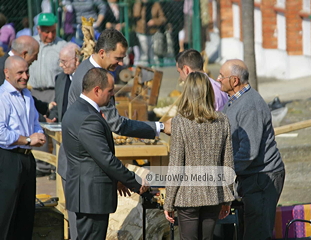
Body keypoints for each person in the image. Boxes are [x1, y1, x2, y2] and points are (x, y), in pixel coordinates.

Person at [66, 28, 170, 238]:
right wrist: (159, 127)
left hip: (86, 176)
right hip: (88, 182)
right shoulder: (90, 85)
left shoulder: (91, 75)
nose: (121, 63)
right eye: (118, 57)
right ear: (102, 52)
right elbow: (115, 127)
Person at [62, 67, 148, 239]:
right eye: (110, 91)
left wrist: (116, 180)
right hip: (91, 196)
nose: (112, 95)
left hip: (87, 193)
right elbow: (106, 159)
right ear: (97, 90)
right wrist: (134, 182)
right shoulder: (88, 118)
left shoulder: (78, 110)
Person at [218, 59, 285, 240]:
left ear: (234, 81)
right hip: (251, 176)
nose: (218, 79)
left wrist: (226, 173)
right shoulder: (234, 101)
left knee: (257, 233)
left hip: (263, 177)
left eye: (221, 76)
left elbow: (248, 153)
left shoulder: (250, 106)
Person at [163, 72, 235, 239]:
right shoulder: (223, 121)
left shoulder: (179, 123)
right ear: (208, 93)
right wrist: (227, 198)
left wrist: (168, 202)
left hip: (186, 196)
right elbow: (228, 164)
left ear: (187, 93)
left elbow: (176, 166)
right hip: (214, 194)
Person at [0, 56, 46, 239]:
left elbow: (34, 122)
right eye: (20, 72)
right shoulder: (3, 97)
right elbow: (1, 133)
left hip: (27, 159)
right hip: (9, 159)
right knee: (6, 215)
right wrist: (27, 140)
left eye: (27, 71)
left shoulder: (26, 94)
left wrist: (39, 133)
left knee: (25, 216)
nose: (25, 76)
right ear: (7, 73)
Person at [0, 35, 56, 118]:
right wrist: (40, 119)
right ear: (24, 54)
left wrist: (45, 107)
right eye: (35, 54)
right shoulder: (3, 67)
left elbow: (24, 95)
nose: (36, 59)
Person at [29, 12, 67, 104]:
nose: (50, 35)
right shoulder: (31, 44)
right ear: (38, 29)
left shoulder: (63, 46)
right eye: (47, 32)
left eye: (53, 31)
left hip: (54, 94)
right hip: (33, 93)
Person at [49, 42, 80, 122]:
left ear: (76, 60)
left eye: (64, 61)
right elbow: (58, 106)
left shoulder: (86, 78)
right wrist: (51, 118)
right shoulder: (60, 79)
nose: (60, 65)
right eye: (60, 61)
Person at [133, 0, 166, 65]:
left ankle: (154, 67)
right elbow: (136, 14)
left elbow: (163, 18)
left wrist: (154, 21)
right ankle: (144, 67)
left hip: (153, 31)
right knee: (144, 52)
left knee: (153, 53)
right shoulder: (138, 4)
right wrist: (140, 3)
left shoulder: (156, 4)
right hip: (141, 31)